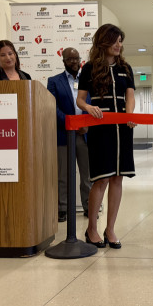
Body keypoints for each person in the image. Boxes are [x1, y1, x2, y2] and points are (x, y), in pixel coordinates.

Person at [76, 24, 137, 249]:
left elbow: (130, 96)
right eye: (115, 41)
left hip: (123, 128)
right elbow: (80, 99)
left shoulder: (126, 68)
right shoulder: (90, 68)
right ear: (104, 42)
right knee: (101, 178)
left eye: (121, 41)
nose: (119, 45)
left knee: (118, 178)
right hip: (101, 127)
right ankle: (91, 227)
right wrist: (88, 107)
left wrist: (129, 115)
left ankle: (110, 229)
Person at [47, 47, 92, 222]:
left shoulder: (88, 80)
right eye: (70, 59)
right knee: (64, 175)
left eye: (76, 58)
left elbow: (93, 104)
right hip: (63, 134)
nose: (74, 62)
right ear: (63, 61)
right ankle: (62, 209)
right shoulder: (54, 81)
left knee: (87, 175)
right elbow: (52, 107)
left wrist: (86, 124)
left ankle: (89, 206)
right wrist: (69, 122)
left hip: (85, 134)